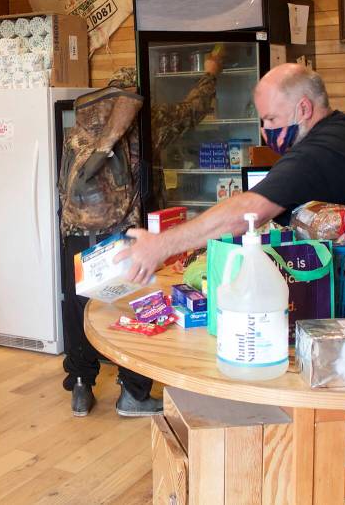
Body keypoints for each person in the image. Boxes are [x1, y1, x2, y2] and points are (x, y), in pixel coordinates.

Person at [118, 63, 345, 283]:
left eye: (271, 119)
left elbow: (248, 212)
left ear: (303, 109)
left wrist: (160, 245)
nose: (265, 132)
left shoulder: (317, 152)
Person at [62, 45, 228, 419]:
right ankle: (133, 394)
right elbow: (194, 109)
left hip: (76, 230)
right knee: (132, 303)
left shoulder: (83, 125)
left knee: (78, 304)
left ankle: (80, 386)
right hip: (126, 231)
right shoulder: (151, 119)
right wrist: (212, 71)